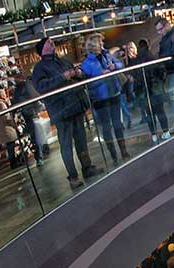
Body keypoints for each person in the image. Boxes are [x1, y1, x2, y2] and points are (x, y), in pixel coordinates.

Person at [30, 37, 99, 188]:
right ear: (43, 49)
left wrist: (78, 74)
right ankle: (73, 177)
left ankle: (87, 168)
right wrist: (63, 77)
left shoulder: (63, 61)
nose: (52, 43)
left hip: (75, 106)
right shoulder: (40, 69)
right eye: (49, 42)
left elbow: (77, 78)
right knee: (66, 145)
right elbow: (42, 87)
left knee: (81, 141)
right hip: (61, 112)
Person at [80, 33, 130, 162]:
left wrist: (115, 67)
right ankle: (113, 154)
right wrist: (101, 77)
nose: (102, 44)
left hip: (114, 93)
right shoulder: (86, 64)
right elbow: (89, 84)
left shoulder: (107, 55)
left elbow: (120, 65)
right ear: (94, 45)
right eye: (100, 43)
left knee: (118, 124)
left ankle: (124, 151)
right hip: (100, 99)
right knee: (107, 127)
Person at [11, 80, 46, 165]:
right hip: (34, 113)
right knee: (39, 134)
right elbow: (37, 96)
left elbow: (15, 104)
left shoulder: (17, 91)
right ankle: (42, 153)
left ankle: (39, 157)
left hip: (28, 115)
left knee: (34, 136)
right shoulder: (29, 85)